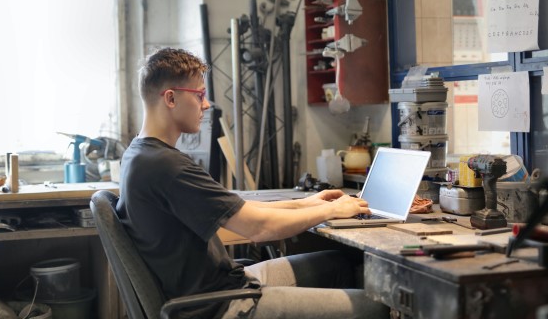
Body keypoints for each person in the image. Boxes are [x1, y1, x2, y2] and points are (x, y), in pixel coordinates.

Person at [117, 47, 389, 318]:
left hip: (223, 285)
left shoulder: (140, 155)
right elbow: (259, 228)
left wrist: (305, 203)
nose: (206, 104)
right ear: (171, 98)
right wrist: (331, 211)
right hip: (221, 305)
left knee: (339, 264)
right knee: (373, 309)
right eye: (200, 95)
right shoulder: (167, 166)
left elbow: (240, 209)